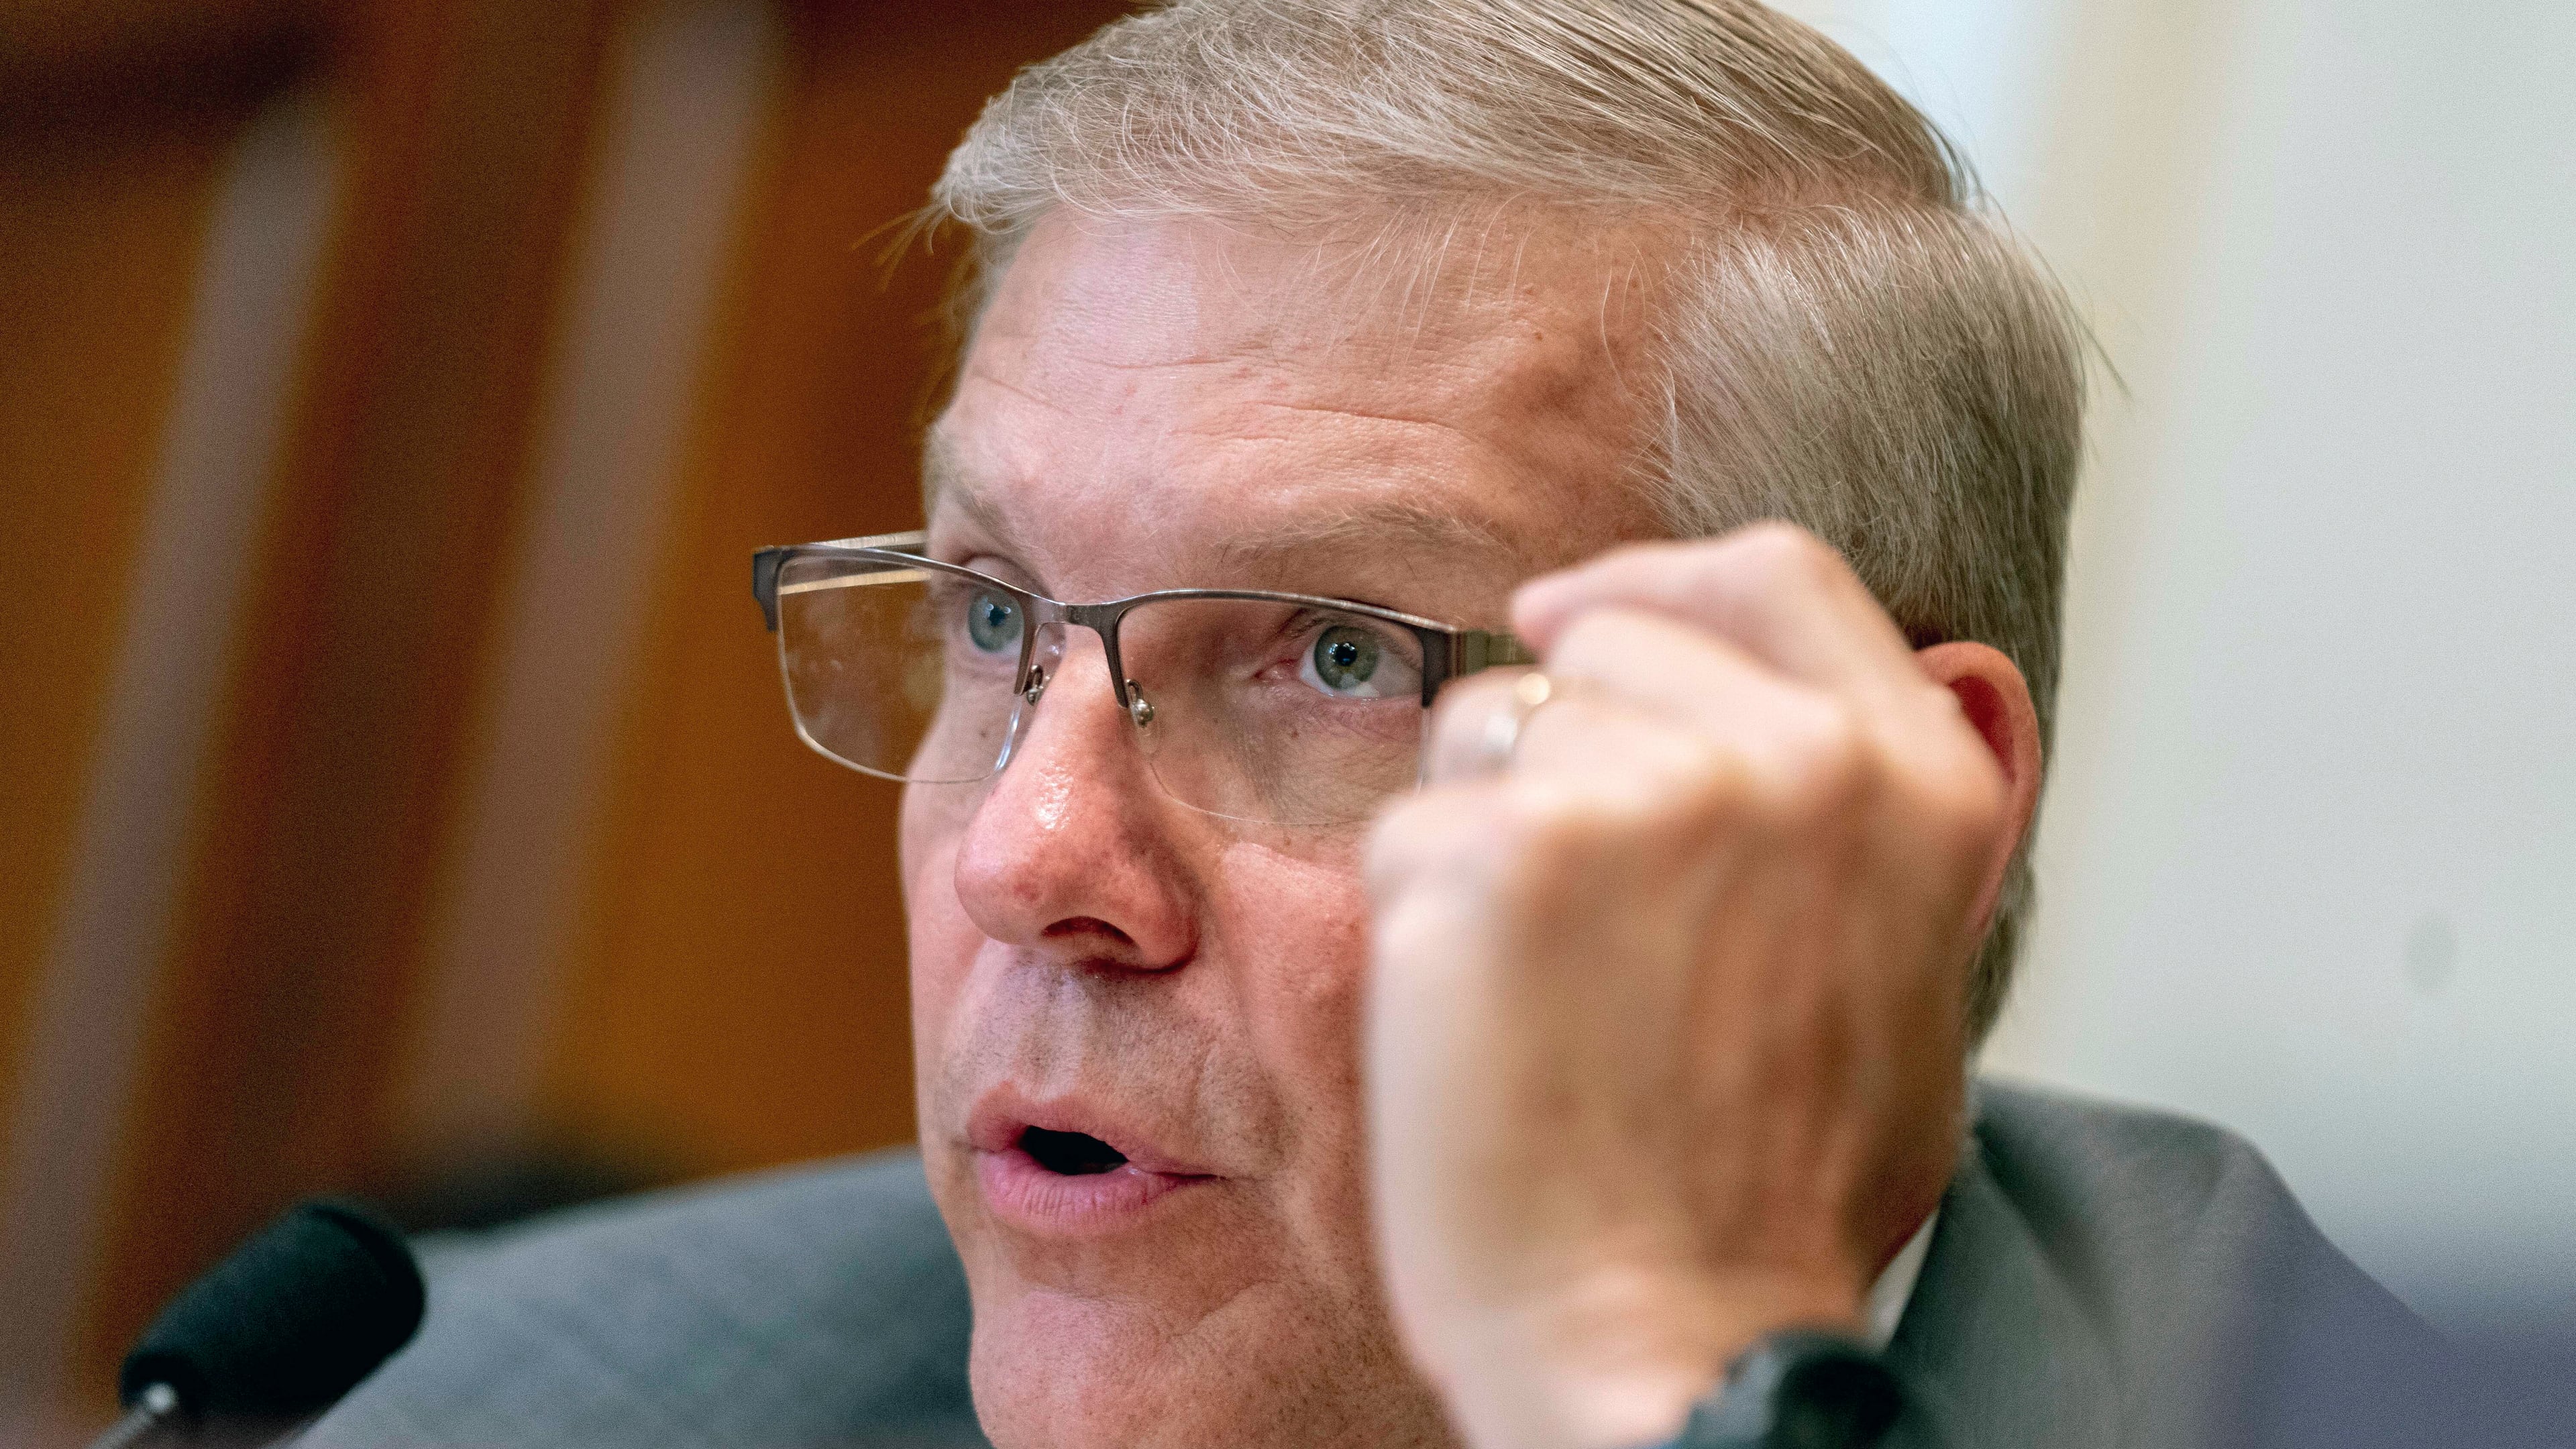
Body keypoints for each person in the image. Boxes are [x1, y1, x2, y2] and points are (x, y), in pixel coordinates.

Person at [305, 2, 2473, 1446]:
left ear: (1901, 819)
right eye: (994, 615)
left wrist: (1669, 1388)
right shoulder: (528, 1399)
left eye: (1335, 659)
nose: (1029, 857)